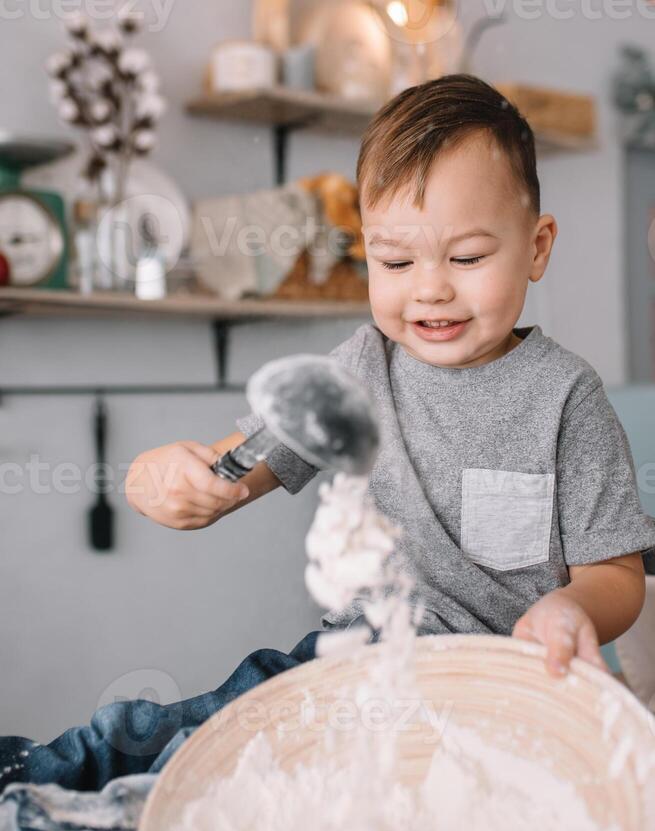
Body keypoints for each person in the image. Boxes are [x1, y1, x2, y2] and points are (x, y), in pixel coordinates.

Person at [2, 73, 654, 793]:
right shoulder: (357, 373)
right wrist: (165, 478)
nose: (430, 287)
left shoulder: (564, 397)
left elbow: (617, 577)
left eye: (466, 258)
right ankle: (40, 779)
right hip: (360, 666)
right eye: (395, 261)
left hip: (506, 689)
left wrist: (568, 607)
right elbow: (231, 470)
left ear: (535, 247)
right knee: (193, 735)